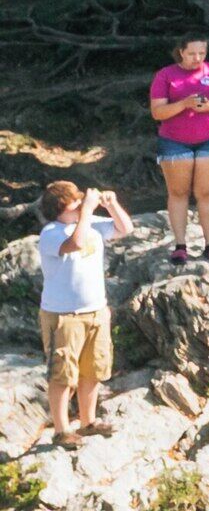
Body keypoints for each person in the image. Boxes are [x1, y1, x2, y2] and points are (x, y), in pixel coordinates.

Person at [33, 178, 131, 448]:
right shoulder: (51, 232)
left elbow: (125, 228)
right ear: (61, 207)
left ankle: (88, 422)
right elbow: (75, 244)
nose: (81, 204)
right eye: (75, 202)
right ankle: (62, 430)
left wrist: (112, 205)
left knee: (93, 369)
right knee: (62, 374)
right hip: (63, 316)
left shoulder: (90, 224)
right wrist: (87, 211)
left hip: (95, 311)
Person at [148, 36, 209, 264]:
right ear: (181, 52)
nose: (198, 59)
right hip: (174, 141)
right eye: (192, 53)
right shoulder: (165, 75)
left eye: (202, 53)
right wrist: (184, 104)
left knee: (207, 193)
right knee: (178, 193)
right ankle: (180, 245)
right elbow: (158, 113)